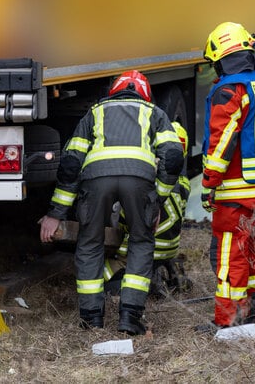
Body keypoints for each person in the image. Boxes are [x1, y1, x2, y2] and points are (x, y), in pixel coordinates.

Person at [38, 69, 182, 335]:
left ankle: (91, 319)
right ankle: (130, 317)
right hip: (139, 181)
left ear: (113, 92)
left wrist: (55, 214)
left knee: (90, 243)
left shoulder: (94, 112)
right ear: (145, 95)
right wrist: (157, 199)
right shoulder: (155, 113)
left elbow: (71, 164)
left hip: (96, 180)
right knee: (141, 241)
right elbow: (173, 157)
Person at [198, 21, 255, 331]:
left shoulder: (230, 89)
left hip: (238, 191)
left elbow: (222, 140)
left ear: (220, 58)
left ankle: (229, 321)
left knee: (231, 256)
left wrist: (209, 181)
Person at [104, 121, 192, 297]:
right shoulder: (184, 185)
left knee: (100, 272)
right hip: (169, 250)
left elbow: (120, 219)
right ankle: (165, 274)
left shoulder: (143, 182)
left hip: (136, 252)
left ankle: (129, 284)